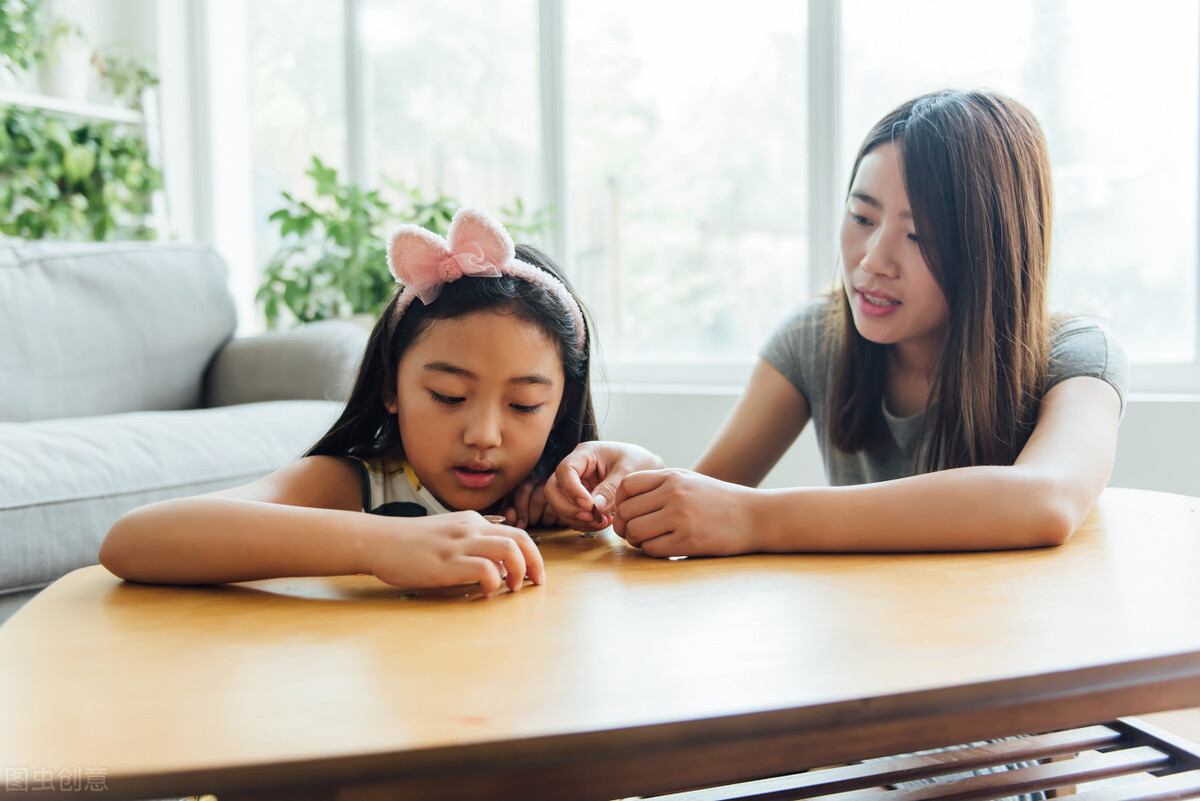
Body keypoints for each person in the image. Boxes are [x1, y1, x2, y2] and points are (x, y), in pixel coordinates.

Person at [547, 89, 1129, 556]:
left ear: (990, 251)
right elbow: (707, 503)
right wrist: (635, 486)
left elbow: (1045, 501)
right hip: (869, 657)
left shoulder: (1075, 356)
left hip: (1021, 664)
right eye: (861, 216)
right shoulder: (816, 339)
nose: (872, 261)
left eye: (919, 235)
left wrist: (759, 521)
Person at [101, 207, 599, 594]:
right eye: (448, 396)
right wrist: (381, 544)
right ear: (389, 387)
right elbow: (132, 541)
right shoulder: (352, 488)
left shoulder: (557, 496)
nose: (483, 435)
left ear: (561, 403)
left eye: (524, 404)